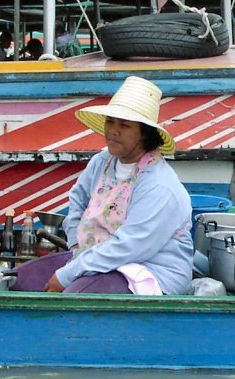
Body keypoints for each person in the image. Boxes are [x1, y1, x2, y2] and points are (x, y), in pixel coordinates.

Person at [11, 76, 193, 294]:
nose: (113, 131)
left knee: (73, 297)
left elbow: (128, 247)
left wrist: (70, 273)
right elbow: (78, 200)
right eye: (110, 122)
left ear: (145, 134)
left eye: (124, 125)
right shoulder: (102, 162)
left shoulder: (159, 185)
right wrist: (75, 247)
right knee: (21, 281)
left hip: (148, 271)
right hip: (95, 258)